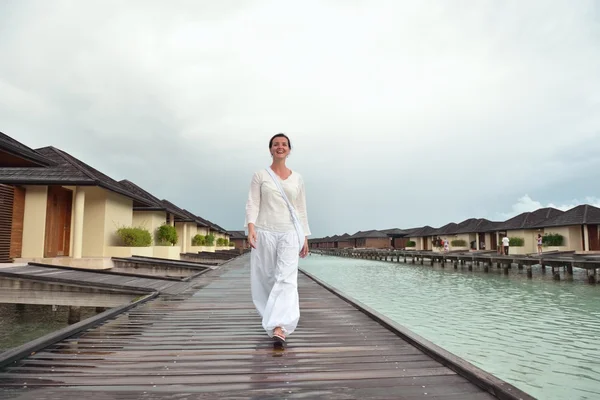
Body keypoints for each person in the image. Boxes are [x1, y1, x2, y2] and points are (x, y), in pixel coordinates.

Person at [245, 133, 311, 348]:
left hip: (290, 233)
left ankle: (280, 326)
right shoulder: (260, 175)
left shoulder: (297, 178)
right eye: (276, 144)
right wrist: (251, 227)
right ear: (270, 149)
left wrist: (305, 237)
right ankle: (270, 317)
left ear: (289, 150)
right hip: (264, 231)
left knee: (287, 278)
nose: (280, 147)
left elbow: (301, 209)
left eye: (284, 144)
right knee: (265, 276)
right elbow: (253, 203)